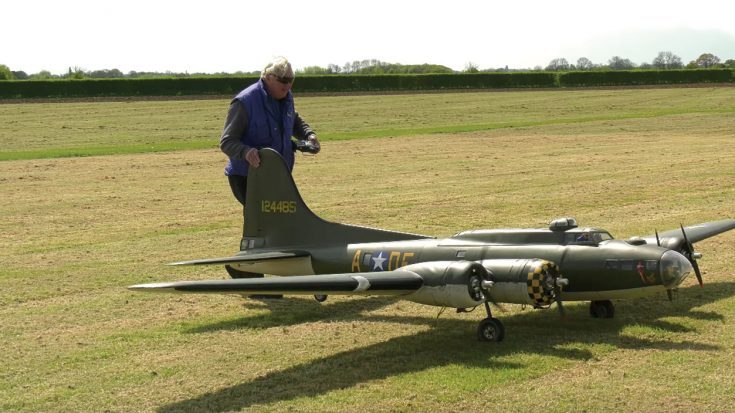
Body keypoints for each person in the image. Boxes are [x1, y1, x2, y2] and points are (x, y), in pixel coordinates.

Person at [219, 56, 320, 279]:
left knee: (281, 223)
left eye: (291, 81)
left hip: (277, 175)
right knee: (263, 225)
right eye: (283, 81)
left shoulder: (286, 98)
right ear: (268, 77)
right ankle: (246, 273)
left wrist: (308, 135)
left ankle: (258, 269)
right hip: (247, 176)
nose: (287, 85)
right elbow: (227, 141)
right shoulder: (245, 102)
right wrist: (246, 152)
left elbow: (294, 120)